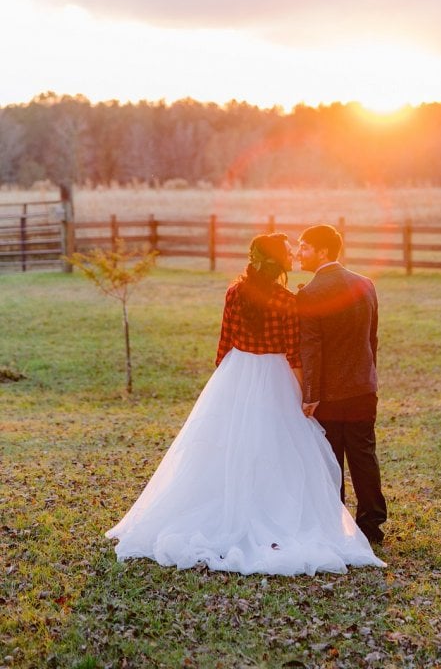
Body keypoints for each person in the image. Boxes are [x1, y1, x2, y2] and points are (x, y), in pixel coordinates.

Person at [105, 233, 384, 576]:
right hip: (284, 375)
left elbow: (224, 343)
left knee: (233, 446)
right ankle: (346, 520)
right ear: (278, 261)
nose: (295, 254)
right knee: (295, 450)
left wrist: (225, 385)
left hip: (238, 372)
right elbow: (296, 351)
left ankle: (249, 508)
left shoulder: (237, 292)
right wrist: (301, 391)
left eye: (301, 249)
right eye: (290, 251)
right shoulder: (294, 298)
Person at [297, 225, 387, 544]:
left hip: (330, 394)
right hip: (363, 386)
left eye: (304, 247)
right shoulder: (365, 284)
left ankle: (334, 518)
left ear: (323, 252)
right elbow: (371, 338)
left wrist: (310, 395)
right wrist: (368, 374)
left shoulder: (309, 294)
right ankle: (371, 523)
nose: (298, 253)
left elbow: (311, 348)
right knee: (364, 453)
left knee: (330, 456)